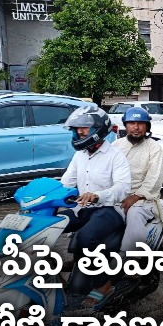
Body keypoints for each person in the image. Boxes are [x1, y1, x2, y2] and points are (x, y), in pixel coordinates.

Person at [60, 105, 131, 307]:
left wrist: (97, 196)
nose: (78, 132)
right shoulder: (79, 155)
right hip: (82, 208)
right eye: (76, 129)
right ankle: (57, 278)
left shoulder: (115, 156)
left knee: (85, 237)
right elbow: (66, 184)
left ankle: (103, 284)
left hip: (109, 209)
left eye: (83, 128)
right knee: (45, 227)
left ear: (98, 130)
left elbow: (123, 188)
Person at [112, 107, 163, 254]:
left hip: (144, 199)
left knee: (134, 214)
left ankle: (132, 258)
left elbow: (154, 178)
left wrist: (136, 196)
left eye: (140, 123)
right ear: (125, 125)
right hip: (116, 195)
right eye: (132, 123)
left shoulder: (154, 149)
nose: (136, 127)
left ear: (147, 127)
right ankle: (81, 255)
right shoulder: (116, 146)